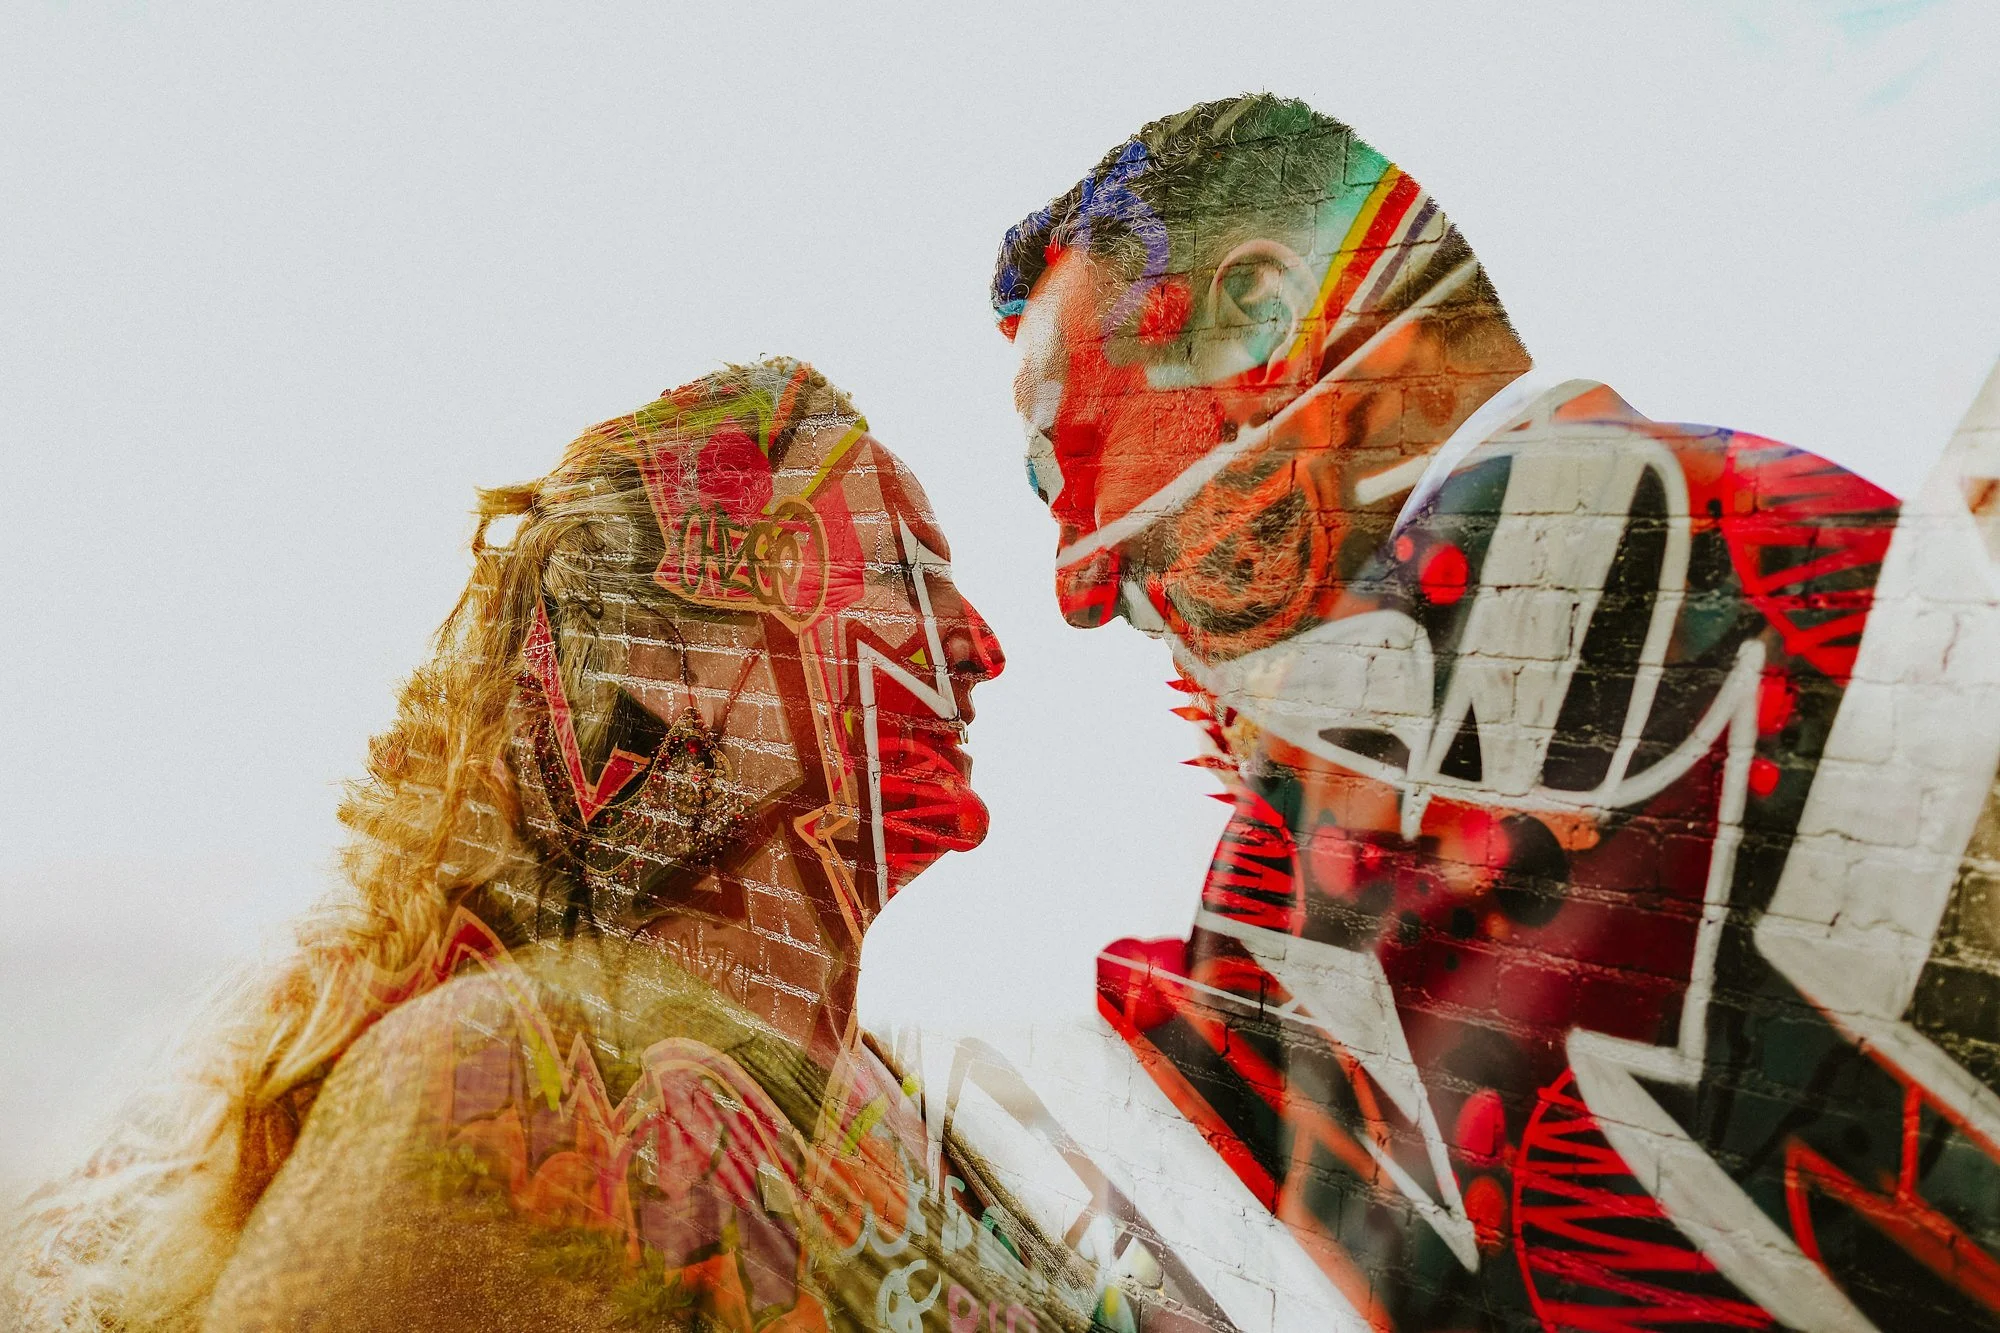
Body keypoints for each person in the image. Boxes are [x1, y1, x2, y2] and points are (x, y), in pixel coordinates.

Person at [966, 93, 2000, 1331]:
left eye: (1062, 459)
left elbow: (1227, 1176)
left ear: (1257, 322)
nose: (1078, 583)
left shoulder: (1514, 581)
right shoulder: (1825, 537)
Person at [7, 359, 1103, 1332]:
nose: (978, 644)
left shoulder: (911, 1108)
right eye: (892, 573)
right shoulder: (501, 1080)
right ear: (669, 665)